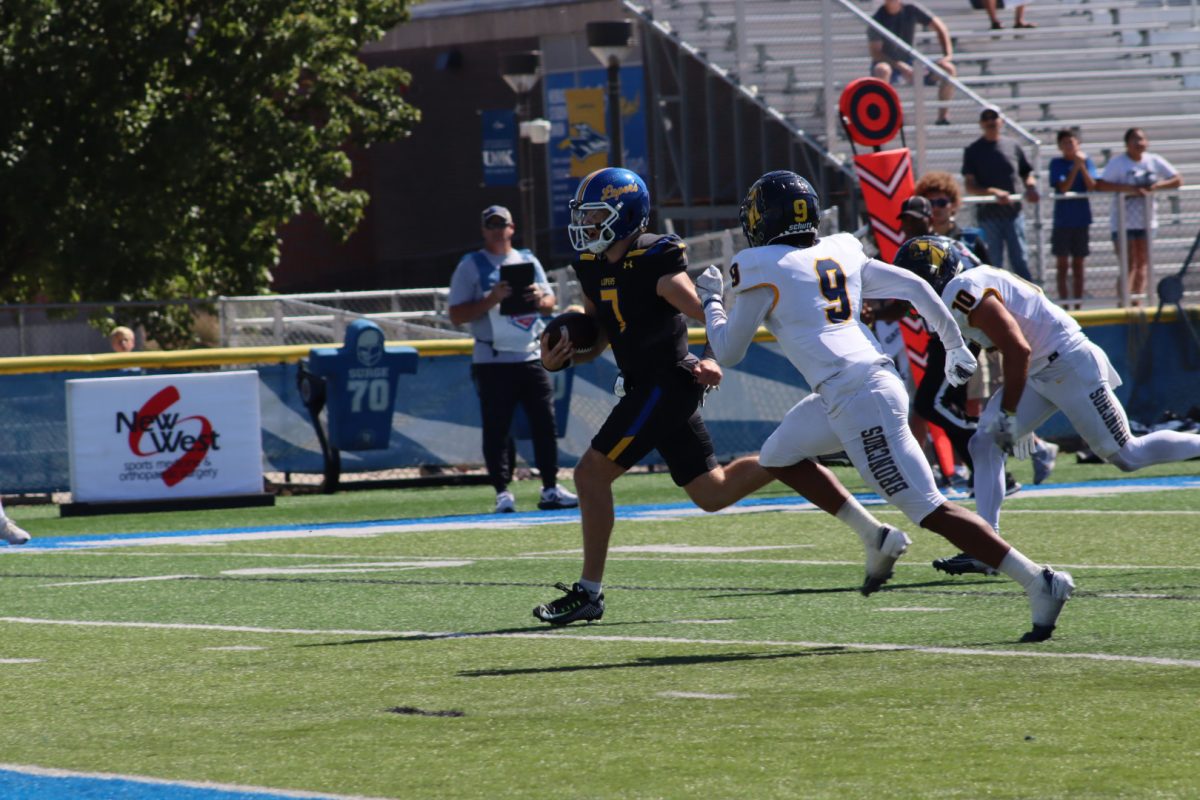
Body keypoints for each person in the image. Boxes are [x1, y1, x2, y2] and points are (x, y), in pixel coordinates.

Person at [700, 170, 1074, 643]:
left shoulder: (758, 264)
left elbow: (728, 351)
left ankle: (1038, 581)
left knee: (930, 509)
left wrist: (712, 300)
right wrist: (954, 344)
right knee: (779, 456)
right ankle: (875, 536)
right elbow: (914, 287)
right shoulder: (840, 249)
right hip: (860, 386)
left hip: (857, 397)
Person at [533, 167, 917, 625]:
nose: (587, 225)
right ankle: (843, 502)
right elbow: (598, 337)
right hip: (647, 387)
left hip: (667, 384)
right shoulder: (593, 266)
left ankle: (589, 592)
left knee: (590, 476)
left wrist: (712, 355)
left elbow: (715, 316)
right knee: (713, 493)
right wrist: (561, 358)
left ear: (625, 215)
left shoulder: (654, 261)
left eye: (596, 215)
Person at [895, 234, 1200, 568]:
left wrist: (1011, 415)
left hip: (1066, 364)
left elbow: (1018, 349)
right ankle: (986, 546)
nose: (912, 291)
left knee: (1128, 454)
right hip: (1043, 369)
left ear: (935, 276)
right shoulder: (964, 287)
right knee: (984, 444)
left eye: (916, 280)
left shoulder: (960, 291)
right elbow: (1002, 339)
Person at [448, 205, 578, 514]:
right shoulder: (470, 266)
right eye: (490, 225)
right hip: (492, 360)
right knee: (497, 428)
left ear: (511, 227)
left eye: (501, 224)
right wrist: (491, 299)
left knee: (544, 423)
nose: (496, 230)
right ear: (483, 230)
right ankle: (502, 492)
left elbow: (549, 302)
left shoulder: (527, 260)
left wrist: (538, 297)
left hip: (530, 355)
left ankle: (549, 487)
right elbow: (456, 314)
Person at [1095, 128, 1183, 305]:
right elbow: (1102, 184)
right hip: (1123, 221)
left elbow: (1177, 179)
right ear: (1127, 143)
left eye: (1142, 139)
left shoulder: (1154, 160)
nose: (1139, 143)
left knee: (1142, 263)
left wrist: (1157, 186)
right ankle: (1124, 302)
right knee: (1128, 264)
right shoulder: (1118, 163)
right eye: (1134, 139)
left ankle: (1137, 303)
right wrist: (1130, 190)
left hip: (1146, 220)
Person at [962, 107, 1038, 282]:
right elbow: (970, 186)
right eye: (986, 119)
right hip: (988, 216)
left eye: (993, 118)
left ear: (1001, 121)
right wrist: (993, 192)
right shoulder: (973, 150)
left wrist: (1031, 187)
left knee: (1020, 261)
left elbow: (1027, 172)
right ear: (981, 123)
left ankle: (1029, 302)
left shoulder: (1013, 146)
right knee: (993, 263)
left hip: (1013, 213)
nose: (990, 122)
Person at [867, 0, 956, 126]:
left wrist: (948, 55)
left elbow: (940, 26)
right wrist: (899, 66)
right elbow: (876, 53)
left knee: (948, 69)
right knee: (882, 70)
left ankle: (943, 117)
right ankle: (886, 119)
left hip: (911, 63)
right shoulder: (877, 18)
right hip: (891, 67)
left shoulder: (911, 9)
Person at [1048, 130, 1099, 311]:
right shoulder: (1057, 163)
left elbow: (1093, 186)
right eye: (1065, 143)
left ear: (1078, 144)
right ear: (1060, 146)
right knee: (1062, 265)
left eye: (1072, 142)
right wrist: (1075, 167)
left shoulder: (1087, 162)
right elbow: (1063, 187)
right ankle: (1064, 305)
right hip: (1063, 221)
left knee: (1079, 264)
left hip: (1081, 220)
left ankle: (1078, 304)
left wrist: (1082, 166)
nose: (1069, 146)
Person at [913, 170, 990, 264]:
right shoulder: (919, 243)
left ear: (953, 204)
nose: (936, 208)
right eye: (931, 203)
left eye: (942, 203)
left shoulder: (970, 240)